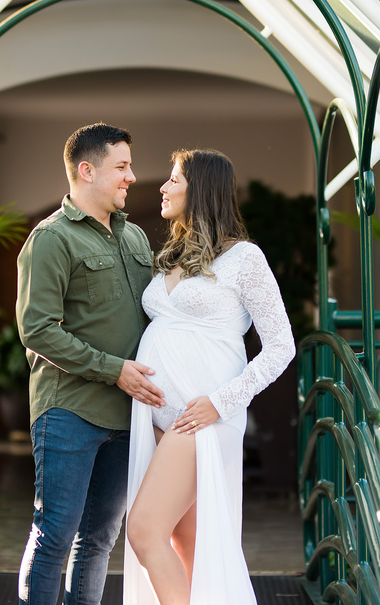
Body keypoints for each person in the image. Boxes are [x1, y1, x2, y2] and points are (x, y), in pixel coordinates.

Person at [124, 149, 295, 605]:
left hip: (201, 418)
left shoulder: (245, 258)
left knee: (143, 531)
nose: (163, 187)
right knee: (186, 544)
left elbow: (281, 346)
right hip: (157, 418)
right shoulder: (173, 255)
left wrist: (221, 402)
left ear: (200, 188)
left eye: (174, 179)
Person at [16, 122, 164, 605]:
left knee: (99, 539)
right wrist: (113, 369)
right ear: (87, 170)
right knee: (55, 533)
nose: (131, 177)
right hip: (69, 410)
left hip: (126, 414)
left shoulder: (135, 237)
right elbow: (38, 330)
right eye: (121, 167)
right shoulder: (50, 239)